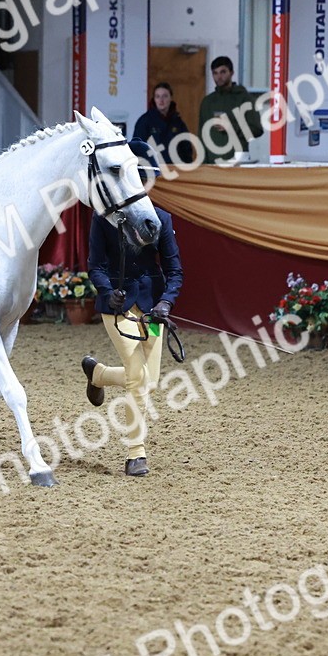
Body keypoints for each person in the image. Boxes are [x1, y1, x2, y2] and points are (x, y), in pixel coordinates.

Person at [80, 139, 184, 478]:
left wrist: (166, 301)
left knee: (148, 380)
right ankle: (135, 453)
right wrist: (108, 292)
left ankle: (98, 375)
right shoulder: (102, 221)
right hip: (118, 310)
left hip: (152, 311)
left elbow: (175, 270)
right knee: (138, 376)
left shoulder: (162, 220)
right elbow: (94, 265)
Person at [198, 56, 263, 165]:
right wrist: (203, 163)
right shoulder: (207, 102)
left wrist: (232, 127)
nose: (219, 77)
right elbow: (201, 135)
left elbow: (257, 130)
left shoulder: (244, 98)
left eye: (223, 72)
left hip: (237, 161)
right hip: (212, 163)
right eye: (215, 73)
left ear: (231, 73)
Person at [133, 82, 190, 165]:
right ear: (154, 99)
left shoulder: (178, 122)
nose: (161, 100)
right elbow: (137, 148)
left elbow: (186, 149)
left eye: (165, 96)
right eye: (158, 96)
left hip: (176, 171)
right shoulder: (144, 121)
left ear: (171, 98)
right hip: (152, 171)